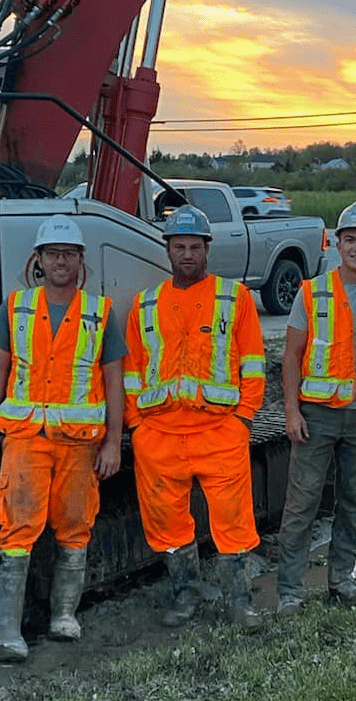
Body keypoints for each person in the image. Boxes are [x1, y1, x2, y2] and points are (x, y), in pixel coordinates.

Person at [0, 214, 124, 662]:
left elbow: (114, 381)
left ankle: (64, 616)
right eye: (53, 254)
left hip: (80, 443)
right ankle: (7, 634)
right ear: (38, 261)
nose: (61, 262)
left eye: (69, 255)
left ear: (81, 263)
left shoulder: (100, 313)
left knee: (75, 528)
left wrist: (114, 442)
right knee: (18, 530)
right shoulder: (16, 307)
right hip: (25, 440)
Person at [122, 204, 267, 628]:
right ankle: (185, 597)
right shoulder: (145, 305)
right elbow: (132, 370)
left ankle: (239, 602)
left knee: (234, 523)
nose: (187, 254)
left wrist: (243, 419)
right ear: (167, 251)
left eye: (195, 247)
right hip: (160, 436)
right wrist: (136, 426)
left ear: (208, 250)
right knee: (167, 524)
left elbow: (254, 365)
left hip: (220, 432)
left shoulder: (233, 298)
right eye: (179, 246)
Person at [276, 201, 356, 616]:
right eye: (351, 240)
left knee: (352, 500)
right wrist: (292, 412)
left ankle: (341, 579)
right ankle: (290, 590)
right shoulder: (313, 293)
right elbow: (291, 357)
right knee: (302, 502)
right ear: (337, 243)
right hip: (317, 415)